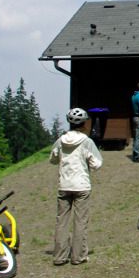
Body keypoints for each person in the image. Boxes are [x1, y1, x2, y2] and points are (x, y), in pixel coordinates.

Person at [49, 107, 103, 266]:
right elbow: (97, 164)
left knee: (62, 221)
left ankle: (59, 256)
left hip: (64, 184)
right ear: (84, 123)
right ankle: (78, 256)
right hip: (81, 185)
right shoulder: (87, 142)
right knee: (80, 222)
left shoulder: (61, 140)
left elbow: (53, 159)